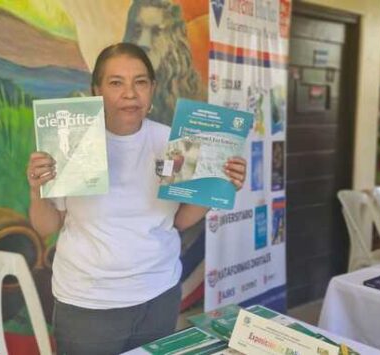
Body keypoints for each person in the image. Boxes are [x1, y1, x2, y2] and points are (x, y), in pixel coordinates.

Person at [26, 43, 246, 354]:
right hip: (89, 304)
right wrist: (36, 190)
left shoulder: (173, 141)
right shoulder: (72, 143)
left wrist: (217, 188)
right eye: (116, 82)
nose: (130, 93)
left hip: (158, 295)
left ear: (152, 89)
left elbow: (180, 220)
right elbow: (47, 227)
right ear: (96, 90)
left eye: (140, 82)